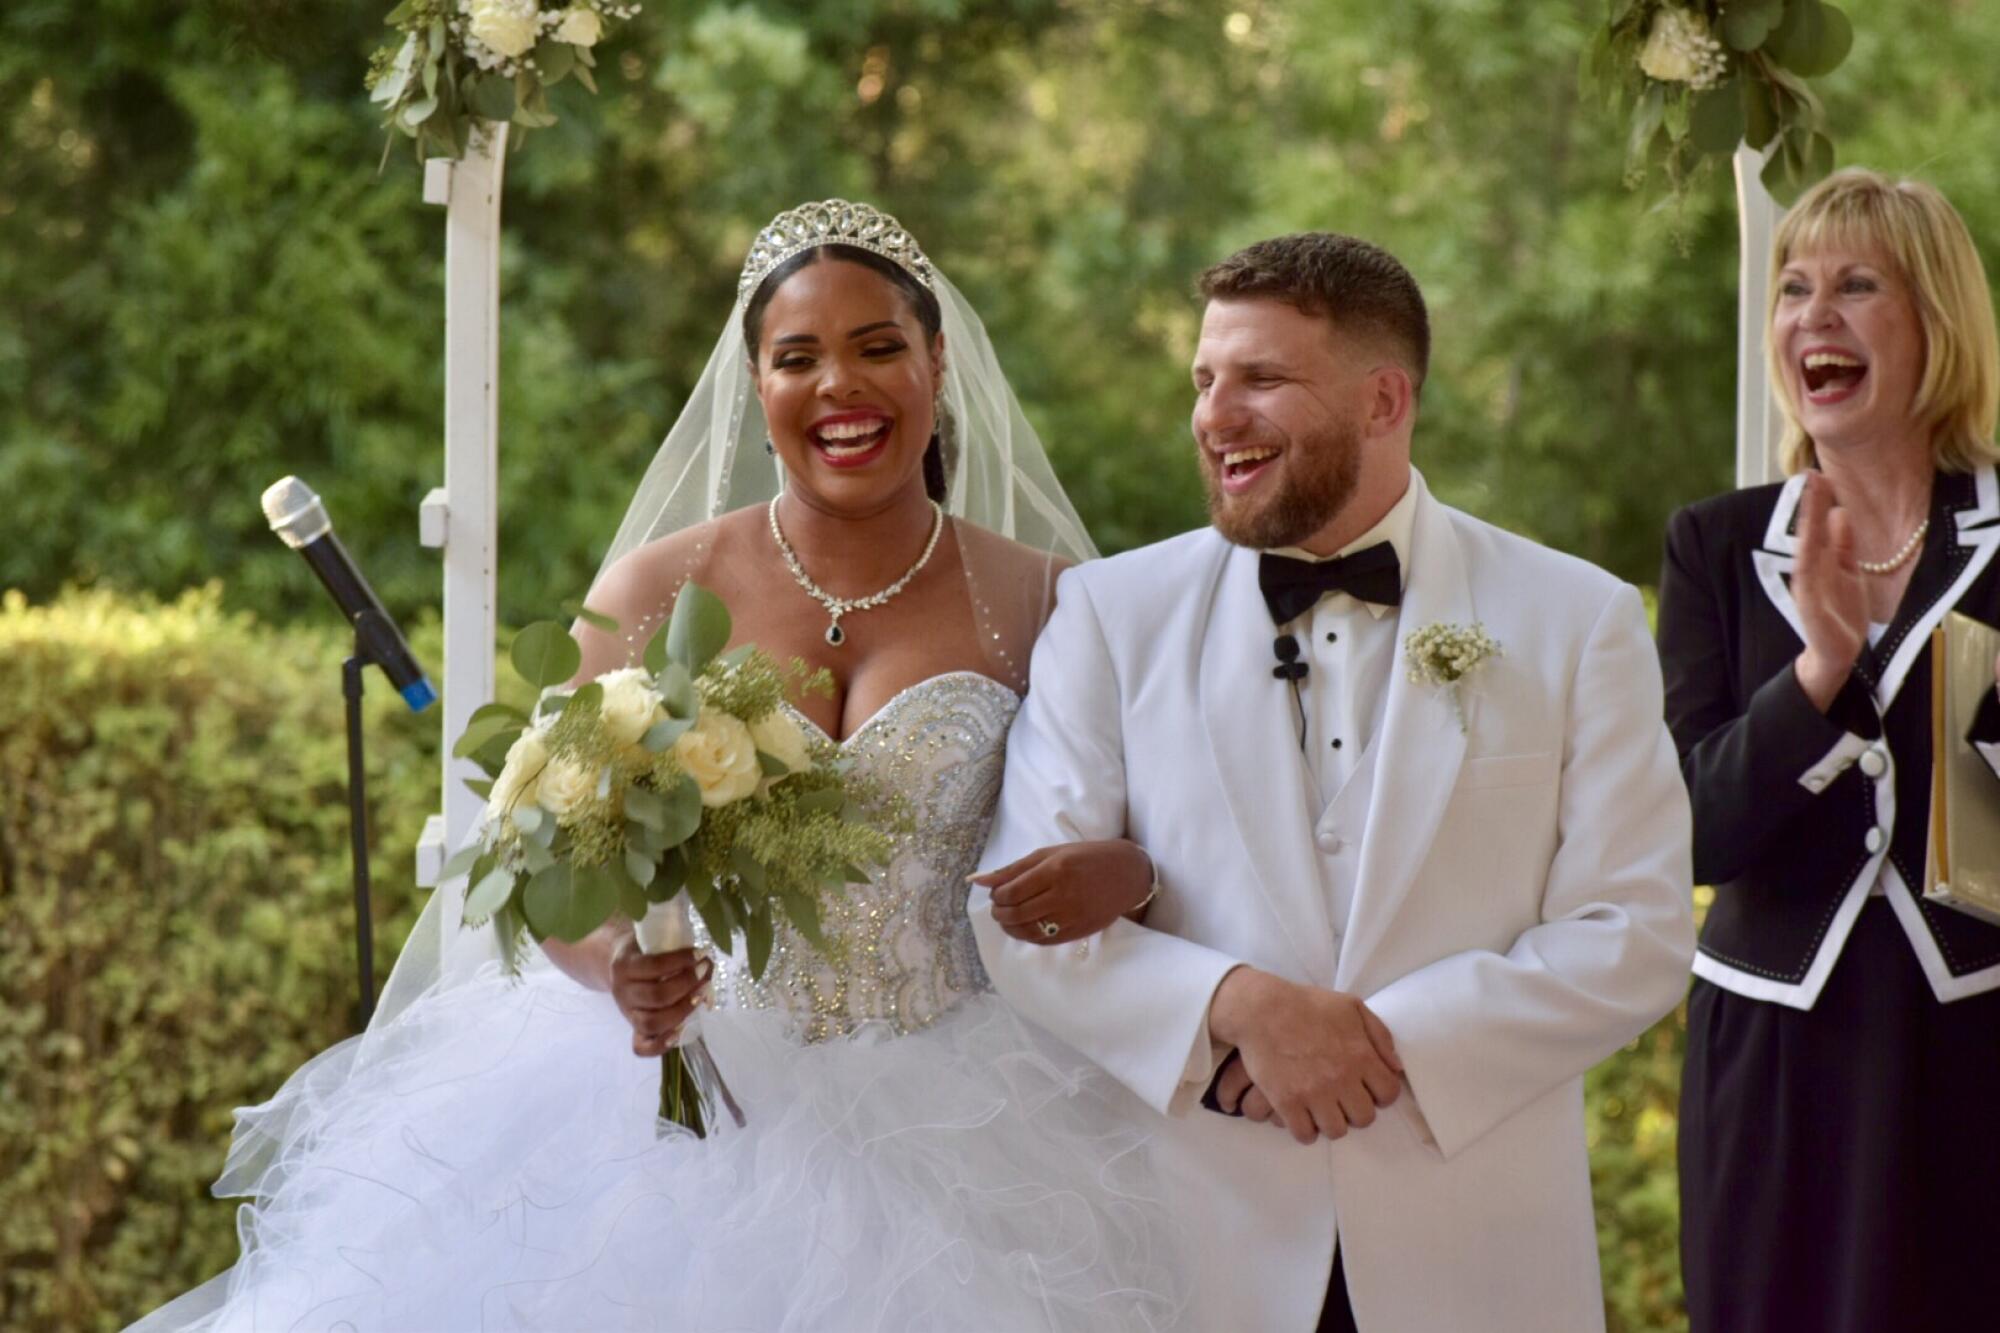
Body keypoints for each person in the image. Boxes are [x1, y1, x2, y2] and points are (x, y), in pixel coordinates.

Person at [130, 201, 1181, 1332]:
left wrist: (1127, 875)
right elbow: (542, 855)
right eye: (797, 358)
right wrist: (615, 963)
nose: (840, 386)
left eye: (878, 347)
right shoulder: (655, 590)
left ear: (935, 362)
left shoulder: (1039, 597)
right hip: (679, 1099)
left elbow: (1155, 834)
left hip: (971, 1112)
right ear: (754, 384)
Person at [968, 230, 1696, 1333]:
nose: (1215, 414)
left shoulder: (1574, 617)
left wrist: (1388, 1046)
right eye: (1205, 379)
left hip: (1477, 1256)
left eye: (1260, 378)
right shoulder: (1110, 618)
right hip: (1194, 1250)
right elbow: (1018, 921)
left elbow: (1632, 930)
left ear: (1381, 399)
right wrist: (1234, 1008)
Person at [1658, 168, 2000, 1333]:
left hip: (1975, 1035)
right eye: (1792, 287)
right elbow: (1693, 827)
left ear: (1935, 322)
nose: (1813, 314)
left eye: (1857, 285)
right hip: (1772, 1045)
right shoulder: (1710, 543)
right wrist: (1816, 677)